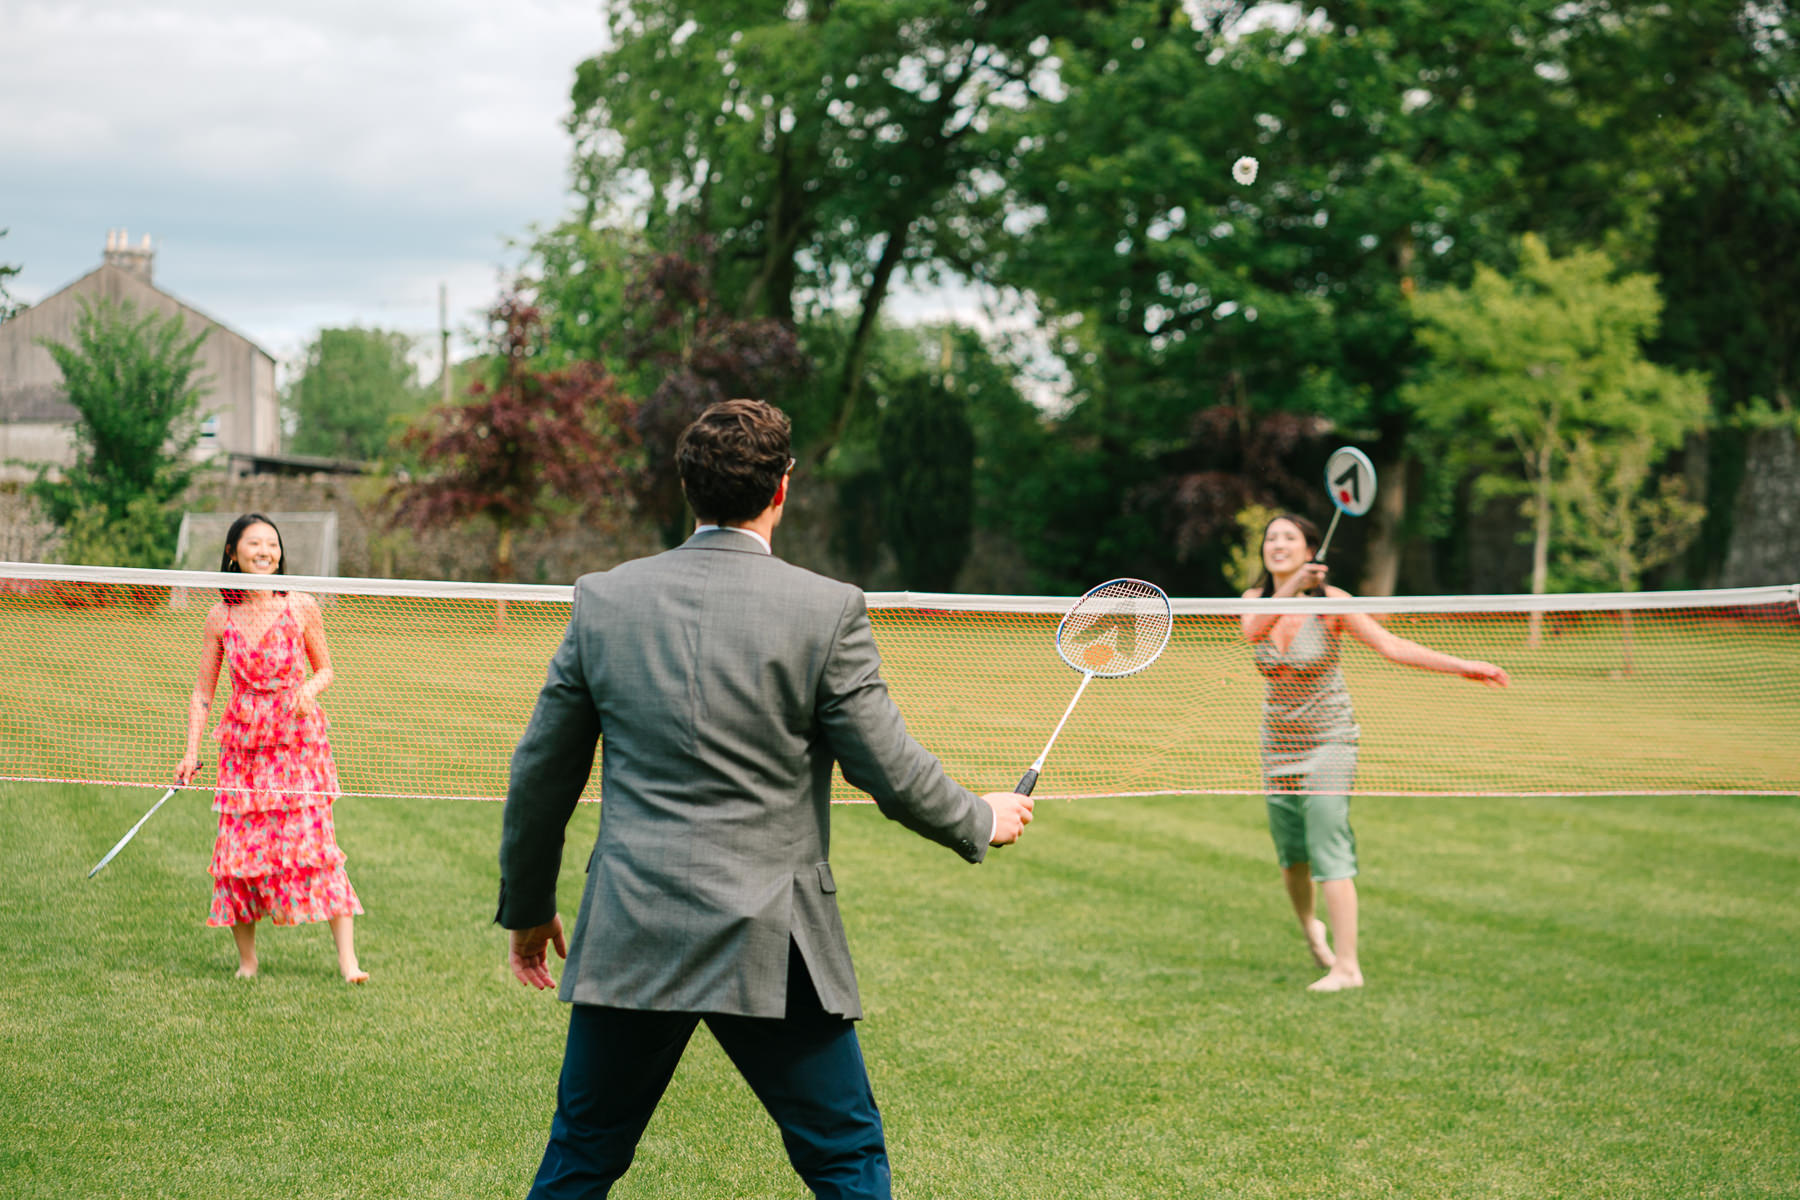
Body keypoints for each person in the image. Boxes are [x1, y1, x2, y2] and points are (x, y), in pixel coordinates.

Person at [498, 398, 1034, 1199]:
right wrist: (982, 817)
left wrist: (530, 905)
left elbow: (541, 772)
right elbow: (886, 768)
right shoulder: (826, 608)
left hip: (635, 925)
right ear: (785, 486)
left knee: (581, 1158)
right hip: (770, 934)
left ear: (688, 487)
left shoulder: (605, 599)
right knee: (846, 1158)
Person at [1241, 513, 1507, 992]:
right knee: (1292, 856)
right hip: (1277, 743)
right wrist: (1292, 588)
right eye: (1271, 538)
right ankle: (1310, 929)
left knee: (1327, 840)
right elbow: (1253, 631)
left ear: (1309, 550)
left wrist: (1462, 666)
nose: (1277, 544)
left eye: (1289, 538)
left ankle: (1347, 967)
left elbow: (1388, 644)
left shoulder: (1333, 604)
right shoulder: (1252, 601)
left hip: (1330, 739)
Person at [175, 513, 366, 983]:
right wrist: (190, 750)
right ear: (233, 555)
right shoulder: (219, 617)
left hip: (299, 742)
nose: (265, 551)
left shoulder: (301, 605)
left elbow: (326, 669)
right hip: (243, 746)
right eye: (254, 543)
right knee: (238, 852)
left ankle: (348, 963)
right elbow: (203, 692)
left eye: (272, 544)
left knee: (316, 844)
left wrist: (309, 690)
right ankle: (248, 962)